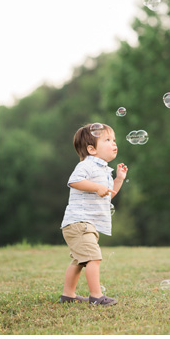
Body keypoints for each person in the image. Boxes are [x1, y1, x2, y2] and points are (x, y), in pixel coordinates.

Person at [58, 123, 128, 307]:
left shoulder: (104, 170)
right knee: (93, 258)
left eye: (114, 140)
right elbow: (73, 181)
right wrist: (97, 187)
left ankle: (68, 295)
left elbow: (109, 194)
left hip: (86, 224)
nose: (114, 143)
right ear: (91, 149)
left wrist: (118, 179)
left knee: (79, 261)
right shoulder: (87, 165)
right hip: (80, 222)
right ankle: (96, 297)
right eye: (107, 140)